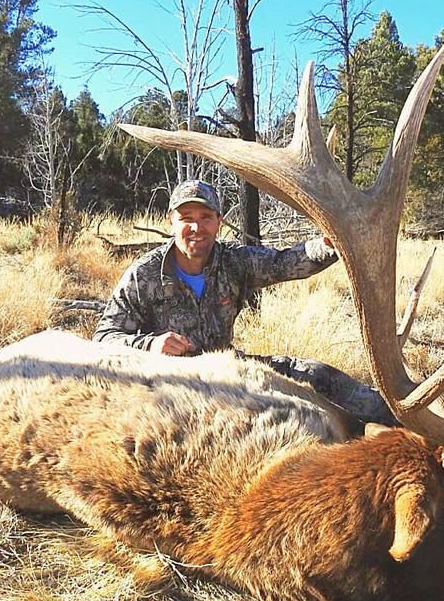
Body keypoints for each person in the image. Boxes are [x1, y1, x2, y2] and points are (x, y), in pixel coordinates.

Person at [93, 179, 396, 425]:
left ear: (219, 222)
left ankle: (400, 418)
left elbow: (286, 262)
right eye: (186, 219)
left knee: (317, 377)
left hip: (230, 372)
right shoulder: (143, 274)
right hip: (171, 388)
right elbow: (103, 339)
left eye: (205, 218)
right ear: (171, 221)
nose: (196, 228)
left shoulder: (233, 260)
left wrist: (330, 244)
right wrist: (150, 345)